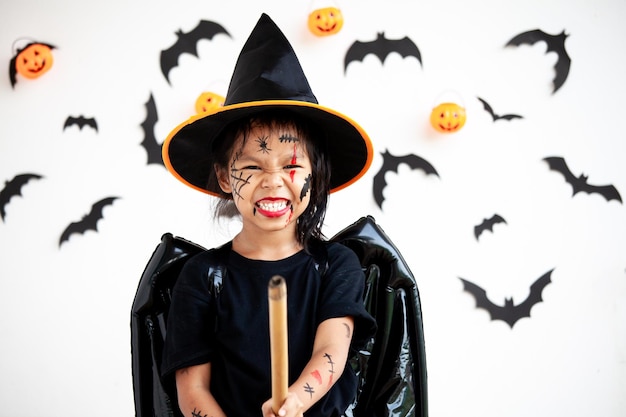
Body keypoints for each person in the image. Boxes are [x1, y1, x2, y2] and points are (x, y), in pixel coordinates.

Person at [160, 14, 376, 417]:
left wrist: (295, 401)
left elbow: (333, 349)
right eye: (253, 167)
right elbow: (193, 391)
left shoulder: (336, 266)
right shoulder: (203, 277)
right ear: (225, 177)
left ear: (316, 173)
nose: (273, 182)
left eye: (291, 166)